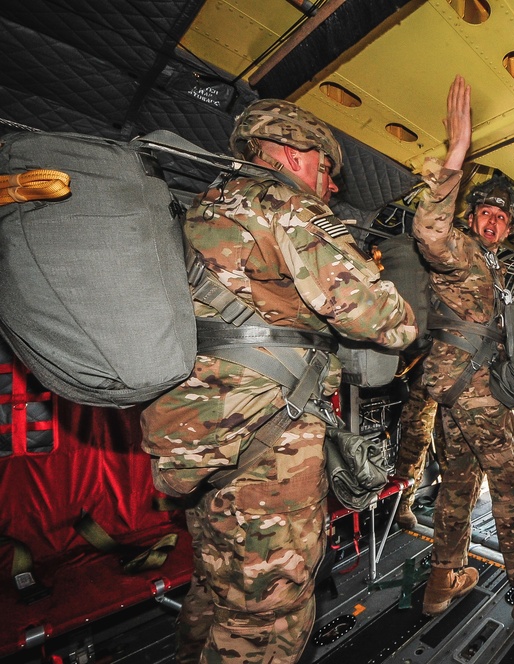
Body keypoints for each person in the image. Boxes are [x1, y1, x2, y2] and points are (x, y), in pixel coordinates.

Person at [141, 99, 418, 663]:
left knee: (218, 585)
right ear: (295, 156)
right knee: (271, 615)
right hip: (266, 438)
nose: (330, 186)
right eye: (325, 170)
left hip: (196, 433)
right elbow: (386, 321)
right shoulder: (286, 206)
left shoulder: (203, 206)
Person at [410, 75, 514, 623]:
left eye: (503, 218)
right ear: (472, 215)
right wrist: (456, 156)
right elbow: (430, 230)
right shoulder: (459, 252)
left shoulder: (494, 268)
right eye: (486, 212)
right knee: (511, 483)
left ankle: (443, 580)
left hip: (454, 394)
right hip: (474, 395)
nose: (494, 222)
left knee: (458, 486)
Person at [393, 355, 438, 529]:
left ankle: (455, 499)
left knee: (457, 440)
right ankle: (404, 502)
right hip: (424, 365)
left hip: (460, 369)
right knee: (417, 438)